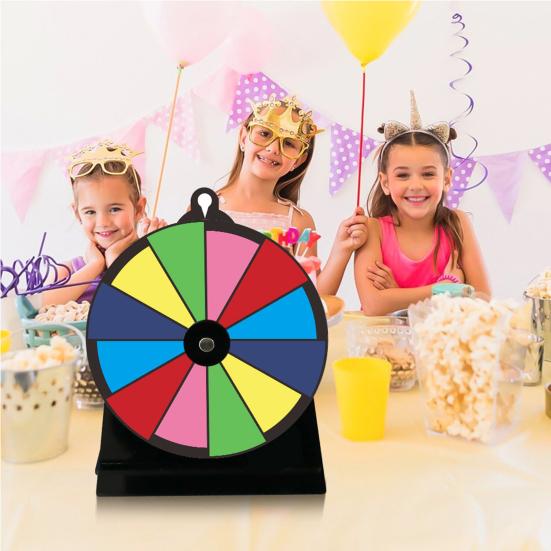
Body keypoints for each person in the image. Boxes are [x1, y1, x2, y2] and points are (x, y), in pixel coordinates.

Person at [215, 94, 368, 295]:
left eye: (288, 143)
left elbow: (315, 297)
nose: (273, 148)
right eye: (264, 133)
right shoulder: (205, 207)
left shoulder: (298, 221)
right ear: (244, 137)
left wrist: (342, 248)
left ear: (298, 160)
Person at [354, 92, 491, 315]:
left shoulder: (457, 223)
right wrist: (445, 290)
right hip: (384, 338)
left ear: (447, 179)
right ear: (385, 182)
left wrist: (397, 294)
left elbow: (483, 298)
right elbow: (374, 304)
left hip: (442, 336)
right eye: (403, 175)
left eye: (428, 174)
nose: (416, 185)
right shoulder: (373, 229)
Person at [40, 140, 165, 306]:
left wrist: (115, 261)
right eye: (90, 212)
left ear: (138, 208)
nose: (103, 222)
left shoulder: (154, 263)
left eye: (114, 209)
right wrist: (95, 265)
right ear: (77, 214)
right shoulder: (67, 272)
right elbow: (38, 308)